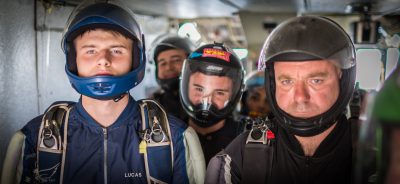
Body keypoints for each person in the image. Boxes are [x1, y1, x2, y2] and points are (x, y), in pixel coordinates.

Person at [1, 1, 205, 184]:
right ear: (73, 59)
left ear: (136, 58)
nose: (103, 60)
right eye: (90, 50)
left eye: (117, 50)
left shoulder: (177, 138)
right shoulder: (34, 139)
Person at [206, 15, 358, 184]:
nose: (300, 96)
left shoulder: (380, 150)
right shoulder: (240, 155)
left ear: (343, 80)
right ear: (273, 85)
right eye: (287, 82)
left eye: (316, 81)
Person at [179, 43, 245, 164]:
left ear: (233, 96)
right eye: (199, 89)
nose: (207, 101)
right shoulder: (169, 131)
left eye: (219, 93)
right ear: (185, 86)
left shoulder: (244, 139)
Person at [150, 35, 195, 121]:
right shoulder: (151, 106)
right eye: (162, 63)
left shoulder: (204, 100)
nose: (168, 68)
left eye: (176, 60)